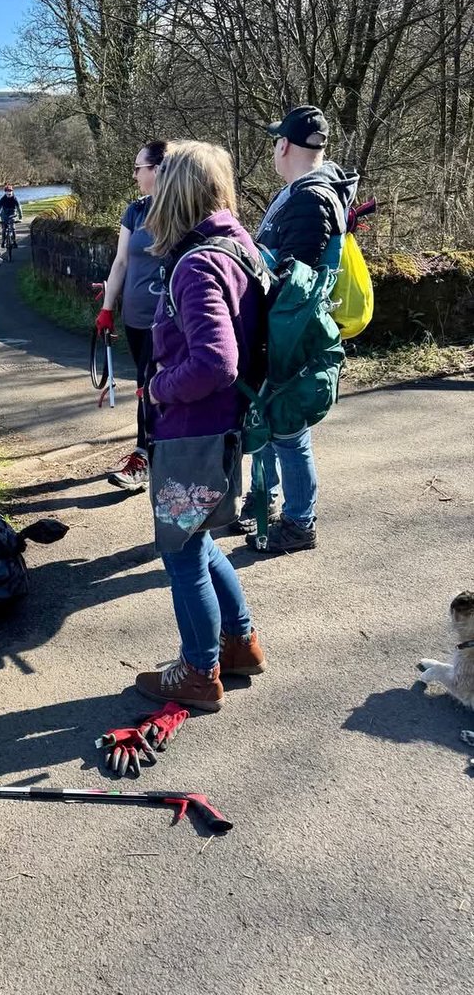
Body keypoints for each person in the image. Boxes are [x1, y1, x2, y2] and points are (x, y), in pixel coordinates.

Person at [134, 140, 267, 712]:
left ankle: (199, 671)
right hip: (220, 429)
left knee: (182, 552)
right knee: (200, 539)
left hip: (192, 432)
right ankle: (239, 645)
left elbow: (216, 360)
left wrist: (159, 388)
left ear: (177, 191)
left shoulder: (196, 263)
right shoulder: (240, 245)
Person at [236, 105, 358, 554]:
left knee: (288, 430)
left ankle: (299, 523)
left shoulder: (310, 198)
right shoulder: (308, 192)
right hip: (285, 329)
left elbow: (297, 279)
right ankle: (263, 500)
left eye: (275, 141)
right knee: (270, 419)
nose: (274, 148)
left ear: (284, 144)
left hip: (292, 334)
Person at [96, 140, 172, 491]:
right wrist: (107, 308)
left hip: (170, 320)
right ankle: (151, 452)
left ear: (157, 169)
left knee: (155, 386)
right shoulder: (135, 211)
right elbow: (121, 262)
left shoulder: (181, 209)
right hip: (136, 317)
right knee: (144, 385)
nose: (135, 174)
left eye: (139, 168)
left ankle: (146, 455)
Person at [0, 185, 22, 249]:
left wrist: (20, 217)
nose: (9, 193)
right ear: (5, 192)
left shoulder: (15, 199)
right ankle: (3, 241)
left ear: (12, 191)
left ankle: (14, 242)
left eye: (10, 191)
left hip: (12, 214)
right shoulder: (2, 199)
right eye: (7, 191)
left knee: (13, 228)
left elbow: (19, 208)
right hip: (4, 215)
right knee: (4, 228)